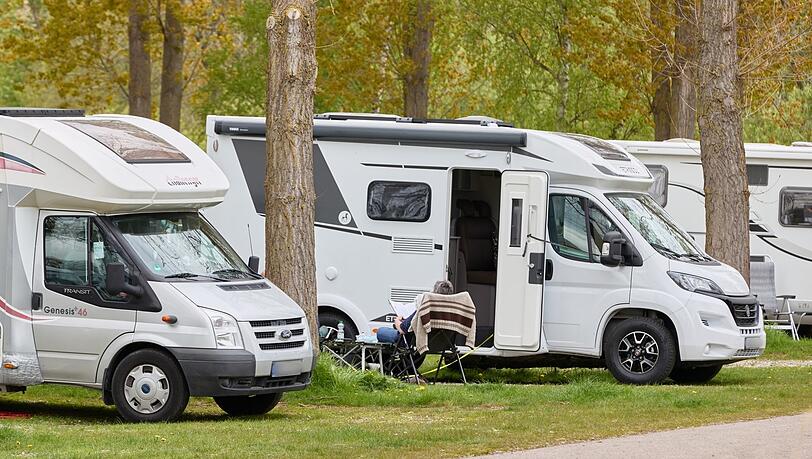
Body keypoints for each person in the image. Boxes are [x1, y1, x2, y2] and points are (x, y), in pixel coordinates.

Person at [376, 280, 454, 344]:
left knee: (380, 331)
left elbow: (403, 329)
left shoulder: (425, 309)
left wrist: (397, 320)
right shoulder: (451, 313)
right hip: (438, 344)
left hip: (412, 341)